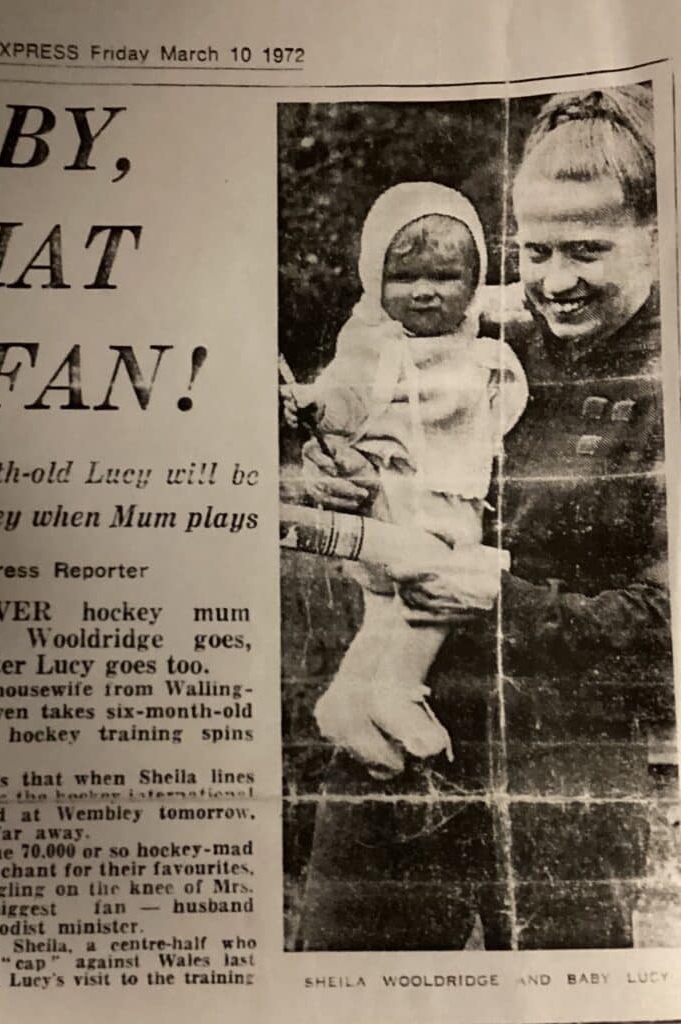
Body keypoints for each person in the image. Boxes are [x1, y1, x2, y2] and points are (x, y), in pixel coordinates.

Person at [295, 84, 673, 950]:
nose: (553, 280)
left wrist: (505, 607)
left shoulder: (667, 377)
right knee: (346, 987)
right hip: (389, 749)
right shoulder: (473, 323)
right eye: (534, 250)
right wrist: (340, 466)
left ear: (659, 235)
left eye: (587, 249)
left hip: (562, 780)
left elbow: (666, 622)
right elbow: (379, 399)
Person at [282, 181, 527, 767]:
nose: (425, 292)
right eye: (405, 277)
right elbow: (346, 394)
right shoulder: (373, 340)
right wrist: (316, 407)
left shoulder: (472, 321)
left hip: (442, 487)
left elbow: (520, 297)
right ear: (373, 278)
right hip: (409, 495)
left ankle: (348, 701)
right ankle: (398, 690)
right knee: (441, 580)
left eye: (446, 278)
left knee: (389, 611)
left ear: (472, 281)